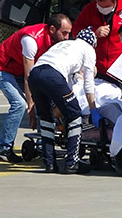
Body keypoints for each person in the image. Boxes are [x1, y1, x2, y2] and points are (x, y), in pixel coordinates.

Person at [0, 13, 72, 163]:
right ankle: (4, 149)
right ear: (52, 29)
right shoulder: (31, 39)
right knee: (19, 105)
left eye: (68, 33)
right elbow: (29, 77)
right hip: (3, 69)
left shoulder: (56, 41)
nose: (67, 37)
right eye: (64, 33)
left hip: (20, 71)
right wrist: (31, 106)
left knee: (44, 101)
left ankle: (44, 143)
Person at [28, 27, 99, 174]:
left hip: (35, 74)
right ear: (93, 43)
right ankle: (72, 162)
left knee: (46, 118)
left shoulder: (63, 44)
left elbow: (66, 83)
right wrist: (93, 109)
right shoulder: (88, 49)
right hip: (53, 75)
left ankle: (49, 163)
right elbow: (88, 83)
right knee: (74, 114)